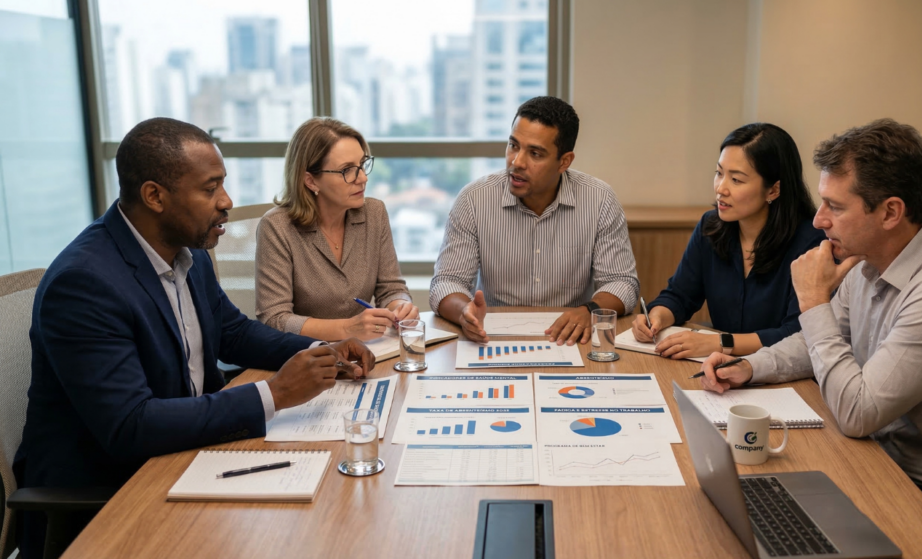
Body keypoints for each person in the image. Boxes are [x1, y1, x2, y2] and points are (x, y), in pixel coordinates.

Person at [14, 118, 376, 559]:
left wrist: (322, 352)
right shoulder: (84, 283)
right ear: (155, 196)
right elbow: (130, 426)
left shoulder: (187, 252)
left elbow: (232, 332)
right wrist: (275, 393)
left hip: (187, 455)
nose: (227, 201)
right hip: (112, 495)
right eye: (210, 188)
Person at [699, 119, 922, 504]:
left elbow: (857, 413)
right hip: (886, 456)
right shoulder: (869, 260)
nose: (818, 219)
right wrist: (750, 367)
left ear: (890, 213)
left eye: (835, 206)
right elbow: (815, 343)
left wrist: (814, 301)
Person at [430, 96, 639, 345]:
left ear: (564, 161)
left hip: (568, 339)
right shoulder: (474, 199)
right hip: (494, 339)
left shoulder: (600, 200)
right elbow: (447, 282)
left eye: (535, 153)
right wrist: (464, 311)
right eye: (513, 145)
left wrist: (589, 310)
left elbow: (622, 283)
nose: (516, 162)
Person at [631, 123, 825, 359]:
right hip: (719, 367)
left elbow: (798, 335)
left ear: (773, 190)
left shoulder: (811, 243)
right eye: (719, 173)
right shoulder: (711, 226)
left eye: (736, 180)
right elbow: (679, 296)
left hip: (783, 371)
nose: (721, 188)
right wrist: (656, 317)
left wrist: (720, 343)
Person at [255, 117, 417, 341]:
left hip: (367, 350)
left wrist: (400, 306)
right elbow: (274, 319)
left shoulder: (374, 213)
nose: (363, 178)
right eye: (347, 170)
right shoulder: (277, 227)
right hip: (308, 353)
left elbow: (391, 288)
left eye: (362, 164)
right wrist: (347, 329)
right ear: (311, 181)